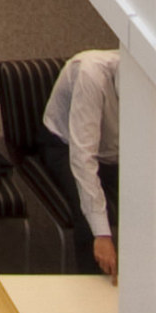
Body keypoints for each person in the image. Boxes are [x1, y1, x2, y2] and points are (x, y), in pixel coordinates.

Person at [42, 44, 120, 273]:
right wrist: (102, 235)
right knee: (87, 215)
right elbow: (82, 157)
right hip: (65, 146)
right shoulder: (91, 75)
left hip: (118, 153)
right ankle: (93, 289)